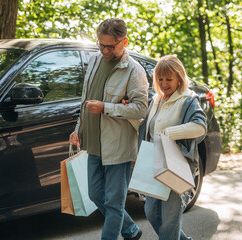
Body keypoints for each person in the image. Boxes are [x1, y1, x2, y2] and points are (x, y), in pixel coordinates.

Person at [69, 18, 148, 240]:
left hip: (118, 145)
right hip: (93, 143)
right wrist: (78, 129)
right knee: (95, 195)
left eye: (109, 46)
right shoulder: (94, 61)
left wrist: (107, 107)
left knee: (114, 202)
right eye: (100, 44)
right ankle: (130, 230)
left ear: (124, 42)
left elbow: (141, 109)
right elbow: (86, 100)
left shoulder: (134, 70)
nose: (104, 50)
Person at [137, 55, 207, 240]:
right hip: (154, 164)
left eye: (169, 79)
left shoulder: (188, 100)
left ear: (179, 78)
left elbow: (200, 127)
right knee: (152, 213)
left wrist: (170, 133)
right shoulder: (156, 100)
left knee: (169, 218)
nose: (164, 83)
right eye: (160, 79)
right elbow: (146, 128)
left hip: (177, 164)